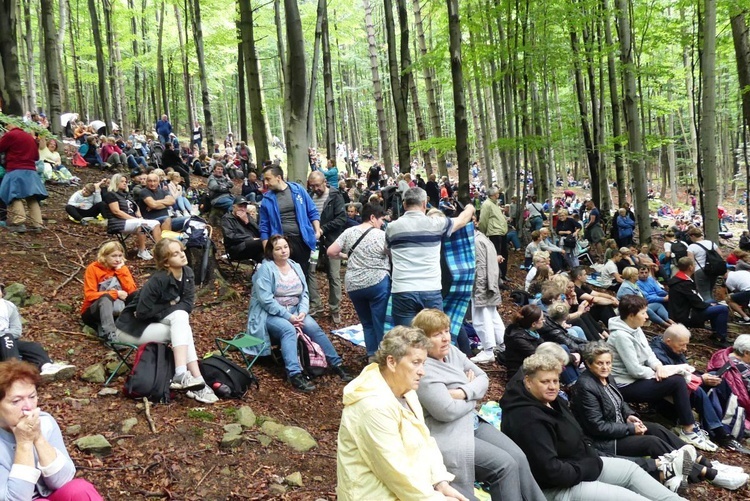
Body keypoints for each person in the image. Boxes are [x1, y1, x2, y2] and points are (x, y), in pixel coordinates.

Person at [500, 353, 685, 501]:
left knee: (631, 470)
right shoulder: (527, 419)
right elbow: (550, 472)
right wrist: (587, 466)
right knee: (631, 497)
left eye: (555, 381)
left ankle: (680, 486)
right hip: (557, 488)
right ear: (528, 382)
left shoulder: (552, 401)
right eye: (545, 382)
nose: (552, 387)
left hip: (582, 463)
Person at [571, 342, 747, 492]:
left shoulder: (607, 377)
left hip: (619, 427)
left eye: (608, 363)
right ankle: (710, 474)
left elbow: (619, 402)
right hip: (605, 441)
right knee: (651, 442)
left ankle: (707, 463)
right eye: (599, 364)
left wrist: (630, 415)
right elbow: (596, 427)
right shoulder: (585, 387)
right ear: (588, 363)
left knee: (658, 430)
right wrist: (630, 429)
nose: (605, 367)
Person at [413, 310, 546, 501]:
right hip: (450, 433)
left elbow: (483, 377)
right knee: (505, 465)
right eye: (437, 334)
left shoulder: (452, 352)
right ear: (423, 339)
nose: (445, 338)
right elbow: (446, 412)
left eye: (447, 331)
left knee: (519, 456)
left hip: (472, 421)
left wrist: (463, 393)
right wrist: (474, 395)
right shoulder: (423, 369)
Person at [336, 326, 469, 501]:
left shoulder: (407, 391)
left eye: (424, 363)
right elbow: (395, 471)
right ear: (391, 362)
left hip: (411, 489)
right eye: (416, 362)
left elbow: (426, 441)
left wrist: (440, 482)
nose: (422, 371)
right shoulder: (373, 406)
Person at [114, 238, 218, 403]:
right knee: (181, 326)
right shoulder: (158, 280)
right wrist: (170, 305)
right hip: (132, 329)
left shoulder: (188, 273)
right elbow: (142, 313)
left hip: (156, 321)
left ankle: (189, 377)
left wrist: (168, 308)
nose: (182, 255)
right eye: (175, 254)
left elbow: (187, 305)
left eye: (181, 251)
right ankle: (193, 381)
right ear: (167, 262)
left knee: (181, 320)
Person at [607, 295, 716, 451]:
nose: (646, 316)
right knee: (677, 381)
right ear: (631, 315)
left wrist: (659, 367)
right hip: (624, 385)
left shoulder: (635, 329)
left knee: (678, 379)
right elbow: (635, 370)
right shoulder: (621, 336)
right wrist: (659, 372)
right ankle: (688, 430)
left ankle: (685, 424)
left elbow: (649, 354)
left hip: (638, 378)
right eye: (643, 313)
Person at [245, 235, 352, 393]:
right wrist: (289, 317)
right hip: (270, 314)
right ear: (271, 252)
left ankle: (336, 363)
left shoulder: (295, 266)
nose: (283, 251)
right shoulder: (266, 269)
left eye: (285, 247)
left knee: (313, 327)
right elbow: (266, 301)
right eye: (278, 248)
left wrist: (302, 312)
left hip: (296, 310)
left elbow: (305, 293)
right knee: (288, 329)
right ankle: (294, 373)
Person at [0, 359, 103, 500]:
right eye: (16, 401)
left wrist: (38, 437)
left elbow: (64, 479)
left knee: (80, 489)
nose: (28, 407)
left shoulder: (45, 421)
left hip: (51, 495)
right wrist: (24, 443)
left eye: (32, 397)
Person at [651, 325, 750, 454]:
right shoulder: (657, 354)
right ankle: (721, 434)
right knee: (698, 390)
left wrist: (701, 378)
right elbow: (671, 376)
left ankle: (725, 425)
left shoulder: (674, 349)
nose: (685, 349)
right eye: (682, 345)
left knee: (719, 381)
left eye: (686, 345)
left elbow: (685, 371)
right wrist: (701, 379)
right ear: (669, 341)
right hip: (665, 392)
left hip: (682, 384)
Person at [385, 187, 474, 327]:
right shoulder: (436, 224)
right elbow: (462, 221)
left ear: (404, 204)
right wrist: (469, 208)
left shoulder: (391, 228)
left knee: (407, 340)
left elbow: (388, 251)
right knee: (434, 337)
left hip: (402, 290)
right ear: (425, 204)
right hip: (431, 289)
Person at [327, 203, 390, 362]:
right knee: (380, 322)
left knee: (367, 323)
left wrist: (345, 256)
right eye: (381, 219)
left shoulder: (349, 232)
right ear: (372, 218)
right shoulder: (381, 235)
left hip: (354, 285)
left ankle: (371, 356)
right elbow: (392, 254)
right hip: (377, 282)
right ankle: (384, 357)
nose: (382, 223)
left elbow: (331, 251)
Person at [0, 283, 76, 380]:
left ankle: (46, 366)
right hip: (6, 339)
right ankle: (14, 372)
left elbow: (16, 330)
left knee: (32, 346)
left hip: (7, 341)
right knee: (7, 338)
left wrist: (4, 336)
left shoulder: (9, 306)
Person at [259, 165, 321, 280]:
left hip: (302, 240)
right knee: (283, 277)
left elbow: (312, 211)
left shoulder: (297, 190)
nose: (266, 183)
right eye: (264, 180)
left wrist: (317, 231)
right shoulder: (266, 200)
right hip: (280, 243)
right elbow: (264, 227)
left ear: (278, 177)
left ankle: (304, 297)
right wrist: (267, 250)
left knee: (303, 275)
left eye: (268, 179)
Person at [306, 171, 347, 323]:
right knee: (310, 271)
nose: (315, 188)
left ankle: (334, 308)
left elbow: (341, 219)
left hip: (331, 241)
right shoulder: (310, 197)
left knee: (334, 275)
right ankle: (316, 305)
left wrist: (322, 229)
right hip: (314, 243)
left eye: (317, 185)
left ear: (324, 182)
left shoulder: (335, 196)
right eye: (312, 186)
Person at [81, 241, 137, 342]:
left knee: (138, 294)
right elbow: (90, 295)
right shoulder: (93, 268)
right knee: (105, 298)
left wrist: (121, 271)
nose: (118, 259)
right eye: (114, 256)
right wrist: (115, 293)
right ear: (105, 256)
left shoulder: (122, 269)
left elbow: (132, 291)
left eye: (120, 256)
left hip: (118, 308)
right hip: (93, 312)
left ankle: (139, 325)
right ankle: (110, 335)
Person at [667, 257, 729, 347]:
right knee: (722, 309)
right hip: (686, 314)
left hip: (682, 310)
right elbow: (696, 302)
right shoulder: (684, 283)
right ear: (690, 267)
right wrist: (708, 305)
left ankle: (716, 333)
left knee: (712, 301)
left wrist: (709, 304)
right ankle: (721, 338)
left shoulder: (679, 279)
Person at [0, 122, 47, 233]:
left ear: (9, 125)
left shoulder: (11, 135)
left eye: (6, 126)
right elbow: (36, 156)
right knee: (32, 197)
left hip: (15, 170)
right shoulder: (29, 137)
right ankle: (38, 224)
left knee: (14, 195)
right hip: (31, 171)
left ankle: (19, 223)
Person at [102, 174, 161, 260]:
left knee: (156, 223)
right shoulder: (110, 195)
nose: (125, 183)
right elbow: (116, 211)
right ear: (115, 182)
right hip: (118, 222)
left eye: (125, 182)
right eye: (122, 181)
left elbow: (136, 207)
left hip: (132, 221)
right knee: (141, 224)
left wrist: (140, 217)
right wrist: (135, 219)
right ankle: (142, 251)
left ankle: (160, 250)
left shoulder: (127, 194)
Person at [471, 224, 505, 363]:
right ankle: (502, 344)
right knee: (492, 316)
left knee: (481, 319)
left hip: (483, 285)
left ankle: (488, 350)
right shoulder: (482, 238)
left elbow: (481, 268)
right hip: (489, 284)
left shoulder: (476, 241)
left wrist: (479, 289)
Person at [478, 187, 509, 282]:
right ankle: (497, 278)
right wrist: (483, 233)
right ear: (493, 195)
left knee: (504, 255)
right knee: (497, 256)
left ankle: (503, 275)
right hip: (494, 233)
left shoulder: (495, 204)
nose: (498, 195)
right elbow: (483, 220)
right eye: (497, 193)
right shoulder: (487, 204)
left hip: (501, 232)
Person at [221, 196, 263, 263]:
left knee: (267, 255)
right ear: (233, 207)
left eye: (245, 207)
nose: (243, 209)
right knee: (262, 242)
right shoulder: (227, 218)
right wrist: (250, 238)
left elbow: (259, 232)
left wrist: (248, 222)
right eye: (240, 206)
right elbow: (230, 236)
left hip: (252, 246)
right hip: (236, 249)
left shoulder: (247, 216)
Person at [686, 227, 720, 301]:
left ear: (692, 236)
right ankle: (715, 306)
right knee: (710, 291)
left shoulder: (691, 247)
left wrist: (691, 274)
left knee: (704, 293)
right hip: (713, 270)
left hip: (700, 270)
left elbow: (691, 263)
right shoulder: (711, 243)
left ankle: (711, 309)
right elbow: (720, 255)